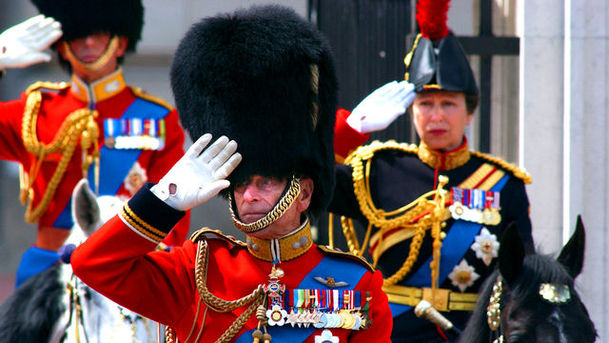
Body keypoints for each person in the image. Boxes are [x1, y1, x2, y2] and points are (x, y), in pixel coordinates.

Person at [71, 5, 392, 342]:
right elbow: (91, 265)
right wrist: (164, 200)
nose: (249, 195)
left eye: (265, 181)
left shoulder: (357, 285)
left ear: (305, 193)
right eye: (239, 184)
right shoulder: (195, 271)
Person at [327, 0, 534, 341]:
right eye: (425, 104)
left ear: (470, 113)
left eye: (448, 104)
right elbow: (301, 181)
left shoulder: (503, 183)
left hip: (470, 332)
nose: (436, 116)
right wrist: (350, 129)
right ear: (411, 112)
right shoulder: (377, 168)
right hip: (389, 333)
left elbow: (521, 274)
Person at [0, 0, 189, 287]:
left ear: (120, 44)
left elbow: (174, 199)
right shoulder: (35, 111)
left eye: (99, 35)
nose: (88, 43)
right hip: (50, 268)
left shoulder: (156, 118)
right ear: (63, 47)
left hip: (125, 268)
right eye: (77, 37)